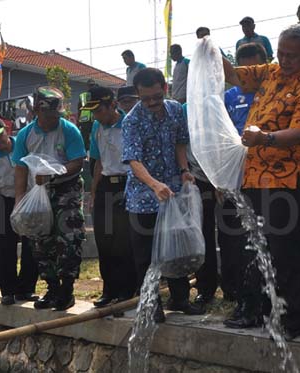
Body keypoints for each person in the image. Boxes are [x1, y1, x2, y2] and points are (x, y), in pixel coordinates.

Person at [222, 24, 300, 340]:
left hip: (286, 180)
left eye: (292, 56)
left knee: (286, 252)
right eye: (280, 53)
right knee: (259, 248)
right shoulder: (271, 71)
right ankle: (265, 312)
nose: (284, 60)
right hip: (254, 176)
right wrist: (209, 52)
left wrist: (264, 137)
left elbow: (299, 133)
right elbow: (234, 76)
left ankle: (290, 320)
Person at [122, 68, 205, 322]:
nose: (152, 103)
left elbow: (180, 141)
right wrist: (153, 184)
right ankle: (151, 304)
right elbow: (133, 161)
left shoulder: (175, 110)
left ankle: (180, 299)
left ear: (165, 89)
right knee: (146, 256)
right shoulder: (131, 121)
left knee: (176, 248)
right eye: (145, 99)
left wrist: (184, 170)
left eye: (156, 97)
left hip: (173, 192)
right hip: (144, 198)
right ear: (138, 95)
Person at [13, 86, 86, 312]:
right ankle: (52, 287)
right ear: (36, 111)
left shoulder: (68, 130)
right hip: (38, 190)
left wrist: (56, 172)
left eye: (56, 114)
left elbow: (78, 161)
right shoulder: (25, 135)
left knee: (68, 237)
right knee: (40, 239)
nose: (53, 118)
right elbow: (21, 168)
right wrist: (19, 200)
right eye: (48, 114)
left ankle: (67, 289)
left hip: (67, 189)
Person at [219, 43, 266, 313]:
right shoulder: (230, 96)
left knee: (261, 235)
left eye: (254, 67)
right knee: (232, 236)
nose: (249, 72)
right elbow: (224, 138)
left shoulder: (272, 91)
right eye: (244, 67)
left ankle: (261, 295)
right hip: (234, 176)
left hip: (266, 176)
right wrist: (222, 178)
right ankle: (236, 291)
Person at [83, 87, 137, 308]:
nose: (96, 116)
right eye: (93, 112)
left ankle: (127, 290)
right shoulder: (97, 126)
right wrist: (94, 192)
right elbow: (97, 162)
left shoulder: (130, 123)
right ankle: (109, 289)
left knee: (124, 242)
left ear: (112, 106)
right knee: (104, 241)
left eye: (99, 111)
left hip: (127, 185)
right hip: (105, 185)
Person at [0, 118, 38, 305]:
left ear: (6, 130)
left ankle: (26, 289)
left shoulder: (24, 145)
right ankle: (8, 291)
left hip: (30, 198)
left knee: (31, 246)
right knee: (5, 248)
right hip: (5, 202)